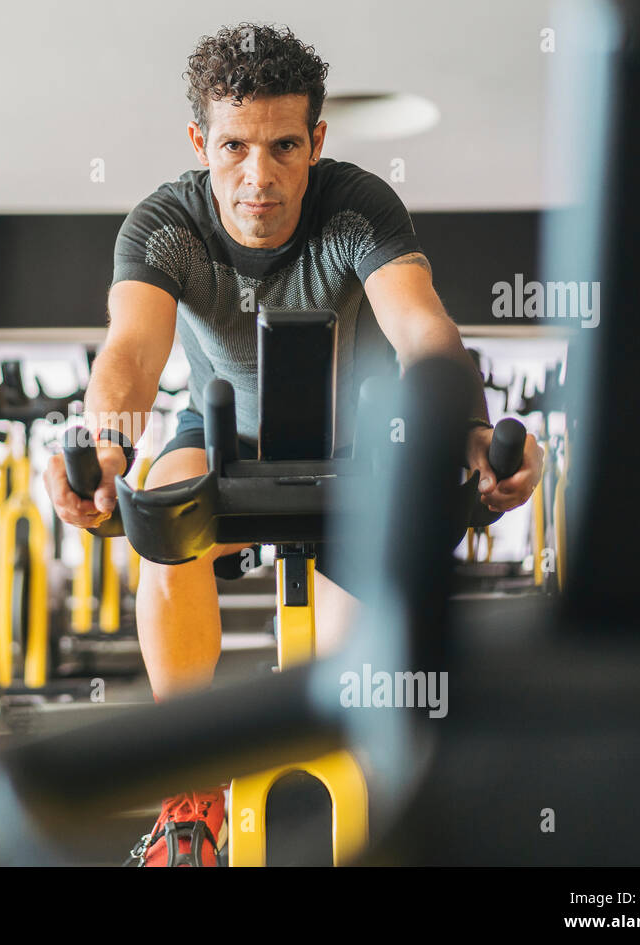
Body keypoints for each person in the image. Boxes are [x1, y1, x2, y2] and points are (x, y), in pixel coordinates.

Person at [43, 22, 543, 866]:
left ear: (316, 138)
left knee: (353, 702)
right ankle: (189, 788)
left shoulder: (358, 208)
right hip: (224, 436)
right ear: (202, 141)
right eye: (235, 146)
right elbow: (131, 352)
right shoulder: (166, 225)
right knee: (165, 513)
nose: (259, 176)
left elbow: (421, 325)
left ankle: (373, 804)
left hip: (362, 447)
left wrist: (466, 429)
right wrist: (104, 445)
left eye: (283, 145)